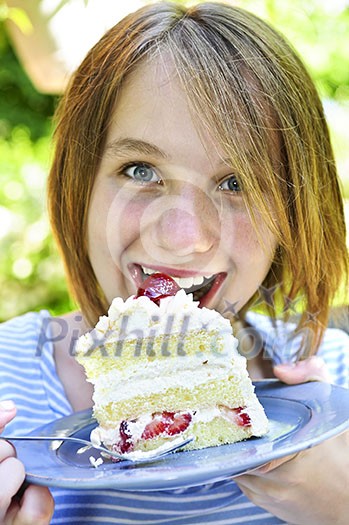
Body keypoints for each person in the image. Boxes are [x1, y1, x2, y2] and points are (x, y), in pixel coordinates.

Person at [0, 2, 348, 523]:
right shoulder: (9, 392)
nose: (183, 238)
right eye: (140, 170)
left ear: (294, 211)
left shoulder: (338, 383)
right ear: (79, 189)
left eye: (237, 184)